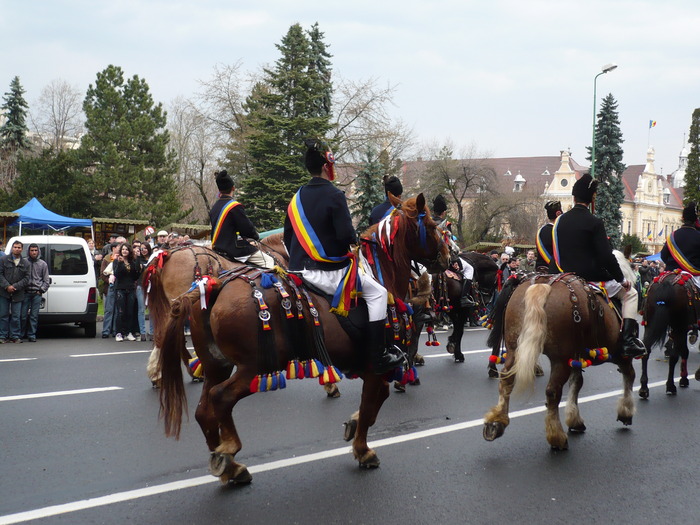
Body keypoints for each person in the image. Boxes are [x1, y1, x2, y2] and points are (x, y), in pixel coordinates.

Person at [284, 139, 401, 374]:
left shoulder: (295, 198)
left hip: (297, 271)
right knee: (378, 293)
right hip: (327, 273)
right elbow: (346, 235)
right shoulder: (335, 195)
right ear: (328, 166)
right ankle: (377, 355)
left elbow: (288, 238)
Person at [550, 173, 646, 358]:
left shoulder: (560, 222)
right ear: (593, 197)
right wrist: (621, 279)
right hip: (590, 277)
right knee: (631, 294)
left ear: (574, 196)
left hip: (564, 276)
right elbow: (605, 257)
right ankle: (627, 341)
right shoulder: (594, 222)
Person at [209, 169, 274, 268]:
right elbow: (246, 229)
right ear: (233, 188)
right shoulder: (234, 206)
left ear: (219, 190)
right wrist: (254, 237)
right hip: (233, 249)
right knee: (268, 261)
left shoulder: (214, 207)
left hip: (217, 248)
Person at [431, 194, 475, 307]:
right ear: (444, 212)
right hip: (445, 258)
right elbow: (449, 243)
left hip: (430, 259)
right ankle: (464, 297)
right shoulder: (445, 224)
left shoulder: (429, 223)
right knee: (469, 269)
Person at [660, 202, 700, 288]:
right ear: (695, 221)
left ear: (683, 219)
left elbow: (663, 256)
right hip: (694, 275)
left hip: (671, 272)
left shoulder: (672, 236)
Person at [0, 241, 30, 343]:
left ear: (22, 249)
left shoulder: (26, 263)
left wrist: (15, 286)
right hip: (4, 292)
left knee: (16, 316)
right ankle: (3, 336)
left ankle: (15, 336)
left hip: (18, 293)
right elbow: (0, 274)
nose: (17, 249)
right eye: (15, 247)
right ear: (12, 248)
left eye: (19, 247)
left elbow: (27, 278)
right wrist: (7, 286)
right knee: (3, 315)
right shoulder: (3, 259)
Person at [21, 244, 50, 342]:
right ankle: (20, 334)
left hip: (36, 293)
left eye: (35, 250)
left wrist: (41, 290)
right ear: (28, 251)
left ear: (38, 251)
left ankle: (32, 335)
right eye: (32, 250)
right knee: (23, 315)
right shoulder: (24, 262)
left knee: (34, 316)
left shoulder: (43, 264)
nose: (33, 252)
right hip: (25, 293)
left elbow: (46, 280)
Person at [113, 243, 141, 342]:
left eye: (126, 249)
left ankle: (129, 332)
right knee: (121, 312)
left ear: (129, 251)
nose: (124, 251)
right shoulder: (117, 261)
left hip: (131, 289)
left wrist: (136, 265)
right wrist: (120, 263)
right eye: (123, 249)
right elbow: (116, 274)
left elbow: (135, 276)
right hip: (120, 289)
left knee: (130, 312)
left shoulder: (133, 261)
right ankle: (119, 333)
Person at [535, 200, 562, 271]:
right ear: (558, 214)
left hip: (539, 269)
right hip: (554, 270)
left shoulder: (540, 231)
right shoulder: (558, 231)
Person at [100, 243, 120, 338]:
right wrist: (109, 281)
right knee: (109, 309)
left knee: (117, 310)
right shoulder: (107, 259)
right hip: (110, 287)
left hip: (119, 286)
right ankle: (106, 331)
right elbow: (102, 274)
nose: (120, 249)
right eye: (118, 247)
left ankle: (115, 330)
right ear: (113, 248)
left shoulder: (122, 258)